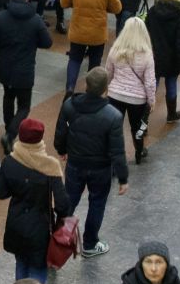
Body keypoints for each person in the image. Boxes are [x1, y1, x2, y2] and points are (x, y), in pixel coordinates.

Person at [54, 68, 129, 258]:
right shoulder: (113, 116)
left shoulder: (70, 105)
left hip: (75, 164)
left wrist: (62, 150)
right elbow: (117, 151)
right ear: (106, 89)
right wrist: (123, 178)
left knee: (69, 201)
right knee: (97, 203)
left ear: (86, 85)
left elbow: (61, 132)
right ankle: (89, 243)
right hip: (101, 169)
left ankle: (56, 241)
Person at [0, 119, 69, 284]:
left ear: (20, 135)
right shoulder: (51, 165)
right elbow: (63, 205)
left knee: (21, 262)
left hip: (16, 224)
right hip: (40, 228)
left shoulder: (10, 161)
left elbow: (0, 192)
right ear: (40, 138)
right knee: (38, 268)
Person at [0, 0, 53, 153]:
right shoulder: (36, 19)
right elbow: (47, 42)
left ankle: (9, 127)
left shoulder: (1, 17)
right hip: (25, 69)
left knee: (8, 98)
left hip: (6, 67)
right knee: (24, 106)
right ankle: (10, 134)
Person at [60, 0, 122, 93]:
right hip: (97, 33)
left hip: (78, 31)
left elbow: (63, 3)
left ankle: (70, 88)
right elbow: (117, 8)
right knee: (95, 62)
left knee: (75, 59)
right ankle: (91, 91)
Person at [104, 18, 157, 164]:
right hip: (137, 99)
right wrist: (151, 101)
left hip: (115, 95)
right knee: (136, 128)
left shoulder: (116, 49)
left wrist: (105, 89)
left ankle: (112, 159)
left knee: (114, 129)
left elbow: (108, 72)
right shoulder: (147, 54)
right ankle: (139, 152)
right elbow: (150, 82)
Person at [146, 0, 180, 126]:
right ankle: (171, 114)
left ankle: (142, 119)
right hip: (172, 59)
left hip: (154, 56)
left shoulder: (152, 11)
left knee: (152, 86)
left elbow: (146, 32)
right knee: (171, 85)